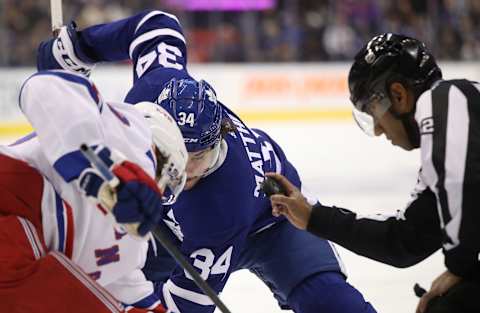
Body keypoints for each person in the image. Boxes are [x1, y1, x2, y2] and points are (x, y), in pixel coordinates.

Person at [36, 10, 377, 313]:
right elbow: (158, 26)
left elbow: (186, 304)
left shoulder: (222, 203)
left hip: (271, 225)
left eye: (202, 156)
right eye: (179, 156)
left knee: (331, 302)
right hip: (170, 226)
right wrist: (78, 48)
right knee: (105, 288)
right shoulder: (155, 88)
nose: (188, 171)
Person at [267, 33, 480, 313]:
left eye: (372, 110)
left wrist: (460, 268)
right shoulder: (447, 144)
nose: (379, 129)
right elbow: (405, 240)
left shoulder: (448, 97)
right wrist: (313, 217)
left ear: (399, 95)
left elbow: (463, 183)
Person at [0, 69, 188, 312]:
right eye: (167, 176)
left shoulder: (134, 249)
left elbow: (131, 298)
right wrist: (106, 167)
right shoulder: (127, 132)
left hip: (23, 264)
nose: (160, 192)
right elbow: (42, 87)